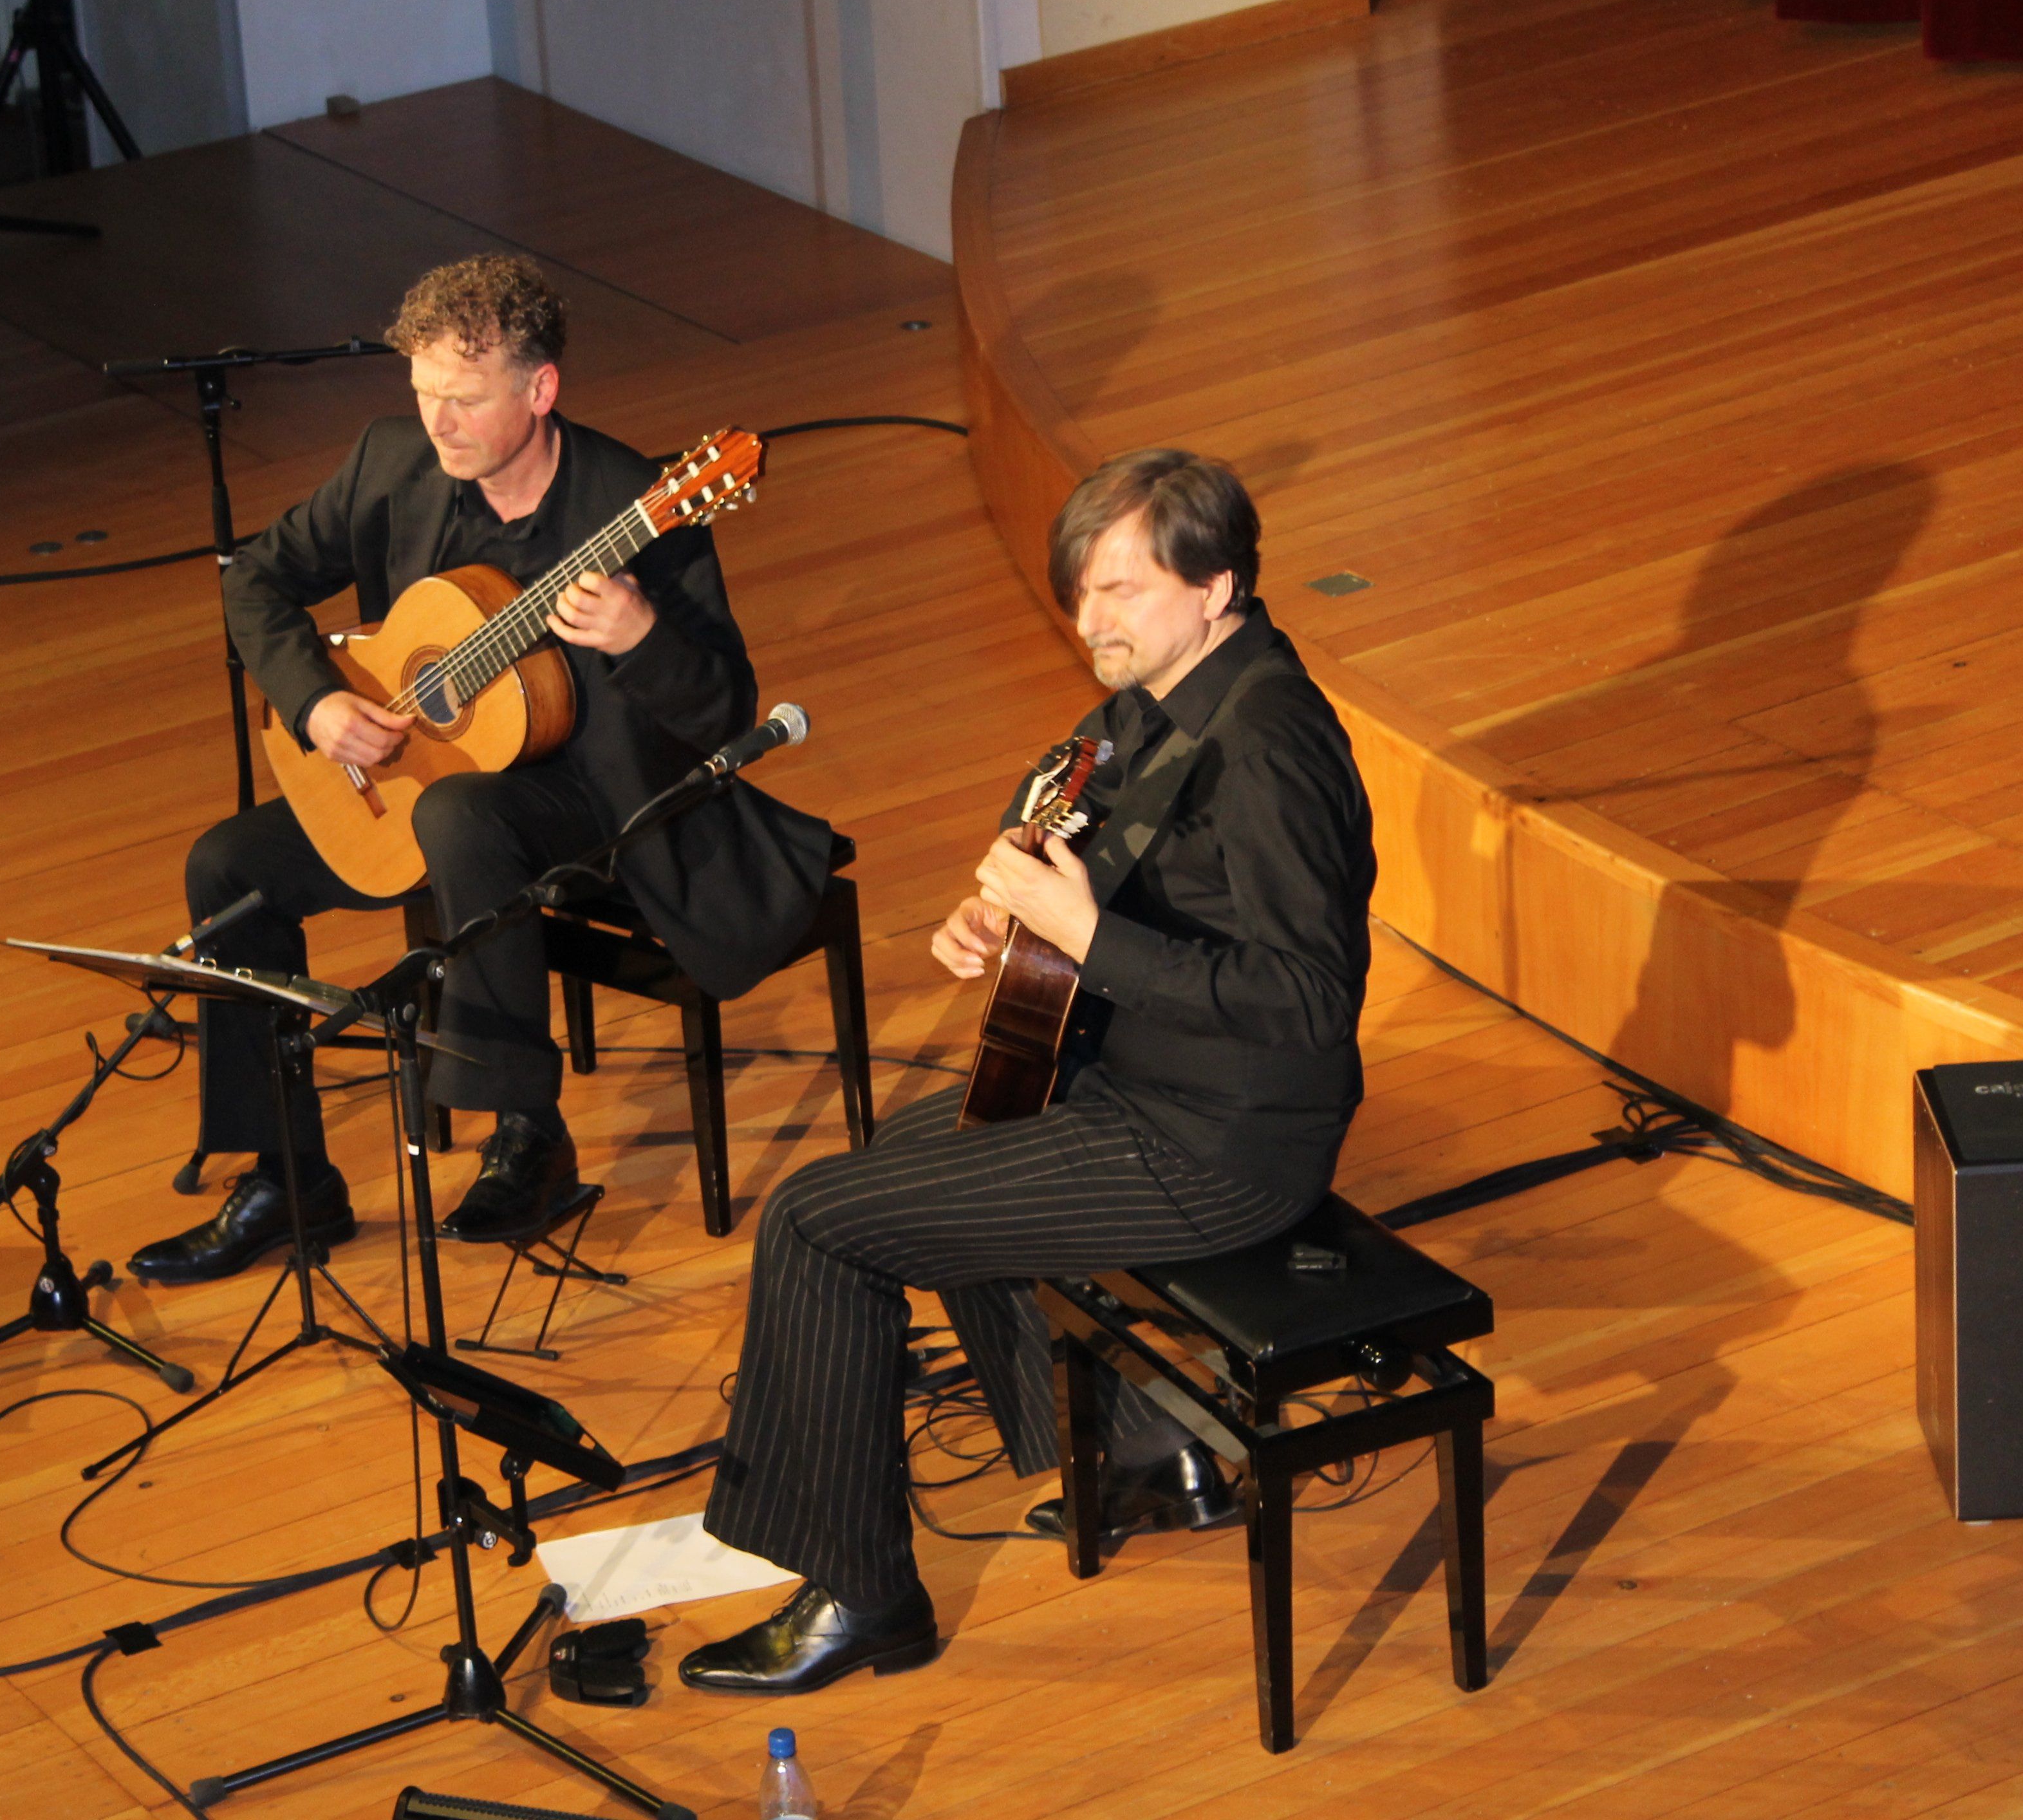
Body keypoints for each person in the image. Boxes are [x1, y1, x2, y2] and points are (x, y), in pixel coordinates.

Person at [680, 448, 1375, 1694]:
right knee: (915, 1146)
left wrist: (1090, 939)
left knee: (817, 1221)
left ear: (1216, 585)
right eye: (1079, 591)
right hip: (1132, 1083)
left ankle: (862, 1592)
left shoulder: (1273, 746)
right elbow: (1077, 784)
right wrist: (1006, 908)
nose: (1090, 620)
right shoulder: (1163, 691)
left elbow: (1312, 1000)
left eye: (1121, 589)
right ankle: (1149, 1451)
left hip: (1219, 1143)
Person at [130, 256, 832, 1286]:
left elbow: (724, 712)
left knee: (463, 816)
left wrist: (641, 635)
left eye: (462, 398)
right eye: (423, 394)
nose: (438, 423)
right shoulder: (393, 462)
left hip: (596, 798)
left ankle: (528, 1134)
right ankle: (288, 1179)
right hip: (420, 774)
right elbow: (257, 583)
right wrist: (317, 701)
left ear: (540, 389)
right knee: (228, 867)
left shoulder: (638, 502)